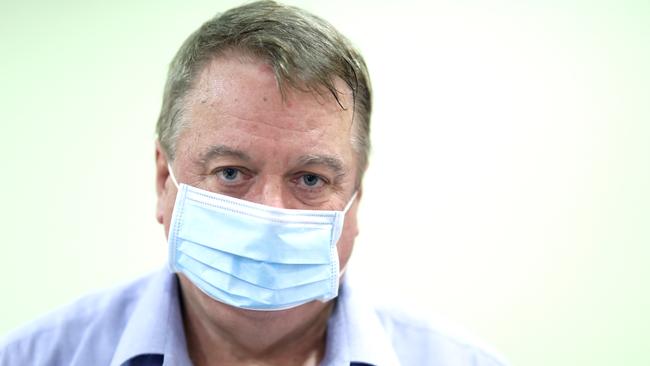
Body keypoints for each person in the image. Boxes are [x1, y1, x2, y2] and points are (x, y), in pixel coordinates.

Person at [0, 1, 508, 365]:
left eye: (310, 179)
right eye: (230, 173)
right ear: (164, 181)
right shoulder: (37, 357)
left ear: (356, 199)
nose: (271, 214)